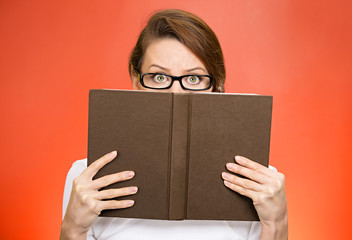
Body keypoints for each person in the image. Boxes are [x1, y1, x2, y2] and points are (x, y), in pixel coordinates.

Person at [60, 9, 288, 240]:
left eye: (194, 78)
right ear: (135, 80)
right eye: (159, 77)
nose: (175, 92)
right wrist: (72, 229)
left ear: (216, 85)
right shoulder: (86, 179)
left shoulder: (259, 184)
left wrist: (277, 224)